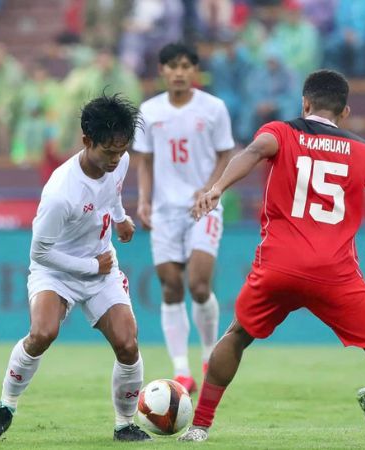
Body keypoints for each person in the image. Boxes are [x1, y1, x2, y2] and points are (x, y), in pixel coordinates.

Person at [178, 70, 365, 448]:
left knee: (236, 336)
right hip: (335, 273)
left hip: (279, 266)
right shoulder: (363, 151)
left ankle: (199, 427)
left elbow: (254, 151)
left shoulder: (281, 132)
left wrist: (217, 187)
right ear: (346, 112)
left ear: (305, 103)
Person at [0, 94, 151, 443]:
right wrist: (89, 264)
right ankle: (4, 407)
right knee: (42, 333)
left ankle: (125, 424)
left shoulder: (121, 160)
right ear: (87, 141)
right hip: (58, 271)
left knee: (128, 344)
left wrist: (120, 218)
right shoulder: (60, 193)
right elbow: (39, 252)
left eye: (121, 150)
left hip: (101, 268)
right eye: (109, 152)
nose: (117, 159)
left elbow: (113, 192)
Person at [133, 43, 235, 394]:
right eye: (172, 66)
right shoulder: (148, 111)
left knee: (199, 284)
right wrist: (144, 200)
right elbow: (144, 161)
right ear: (161, 71)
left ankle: (208, 355)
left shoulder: (214, 108)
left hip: (203, 206)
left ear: (195, 71)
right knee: (170, 286)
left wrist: (211, 188)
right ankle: (181, 370)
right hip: (164, 210)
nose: (179, 72)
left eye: (185, 66)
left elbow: (226, 154)